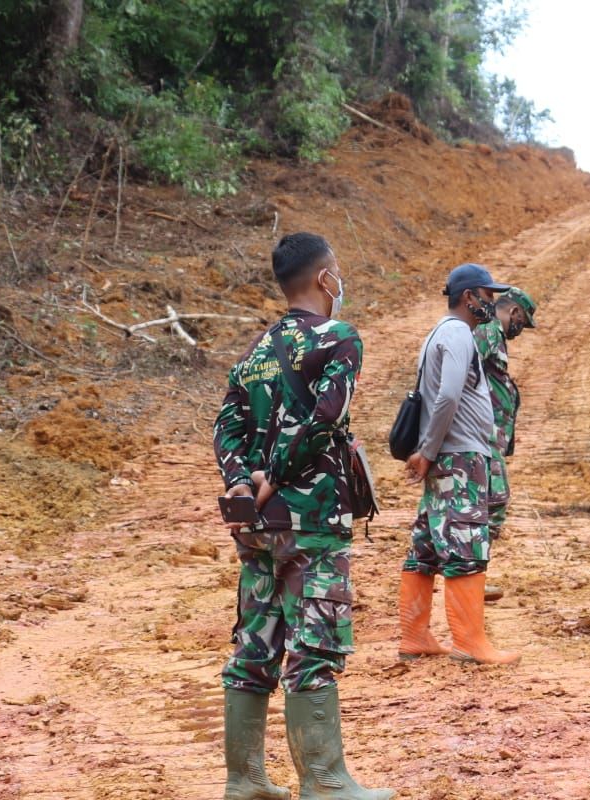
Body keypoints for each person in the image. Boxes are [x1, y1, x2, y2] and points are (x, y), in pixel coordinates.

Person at [214, 232, 395, 800]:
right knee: (314, 646)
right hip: (312, 519)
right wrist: (273, 475)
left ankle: (245, 780)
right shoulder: (340, 338)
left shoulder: (256, 351)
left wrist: (242, 481)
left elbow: (225, 428)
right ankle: (324, 780)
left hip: (258, 526)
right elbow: (325, 419)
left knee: (255, 646)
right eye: (336, 272)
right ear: (325, 278)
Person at [396, 263, 521, 665]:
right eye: (487, 296)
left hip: (448, 457)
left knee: (427, 545)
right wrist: (429, 450)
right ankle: (470, 642)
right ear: (469, 298)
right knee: (466, 545)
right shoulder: (458, 334)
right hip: (460, 457)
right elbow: (448, 396)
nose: (491, 303)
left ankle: (415, 635)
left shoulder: (439, 333)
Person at [471, 286, 538, 603]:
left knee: (483, 502)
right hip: (479, 435)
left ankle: (470, 575)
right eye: (523, 321)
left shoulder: (492, 334)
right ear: (514, 312)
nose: (521, 329)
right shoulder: (487, 331)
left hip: (487, 435)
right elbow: (462, 376)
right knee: (494, 500)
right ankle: (472, 576)